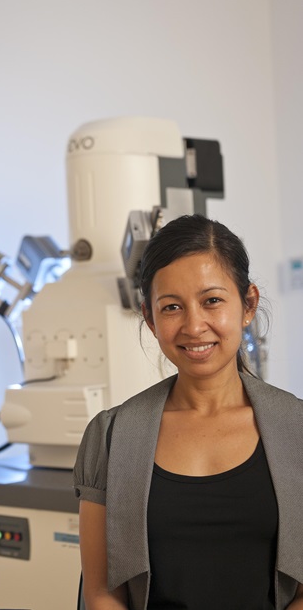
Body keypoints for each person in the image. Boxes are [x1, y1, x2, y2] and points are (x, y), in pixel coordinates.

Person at [73, 214, 303, 610]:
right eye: (172, 307)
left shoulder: (297, 430)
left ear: (248, 304)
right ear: (150, 319)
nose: (194, 326)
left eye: (212, 301)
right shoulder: (110, 436)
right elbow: (101, 592)